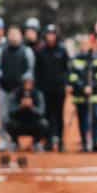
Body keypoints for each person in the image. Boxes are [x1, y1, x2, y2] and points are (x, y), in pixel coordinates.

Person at [68, 32, 97, 153]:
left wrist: (92, 86)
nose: (85, 46)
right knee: (82, 119)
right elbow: (72, 77)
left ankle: (95, 142)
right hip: (80, 96)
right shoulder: (75, 59)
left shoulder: (96, 59)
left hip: (94, 95)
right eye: (82, 44)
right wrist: (83, 87)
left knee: (96, 118)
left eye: (87, 44)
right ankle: (85, 143)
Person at [34, 24, 69, 152]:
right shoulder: (40, 51)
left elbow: (66, 69)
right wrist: (38, 87)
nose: (51, 36)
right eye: (48, 34)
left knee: (59, 115)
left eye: (53, 34)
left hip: (59, 89)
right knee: (47, 115)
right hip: (45, 89)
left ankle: (60, 140)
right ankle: (48, 140)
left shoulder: (62, 50)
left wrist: (65, 82)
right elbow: (37, 71)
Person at [4, 76, 49, 152]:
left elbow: (42, 112)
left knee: (44, 123)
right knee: (7, 121)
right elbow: (10, 111)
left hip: (33, 123)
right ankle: (15, 143)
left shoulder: (38, 94)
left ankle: (36, 143)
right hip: (19, 123)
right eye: (26, 82)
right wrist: (21, 106)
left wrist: (32, 107)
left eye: (30, 82)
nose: (28, 85)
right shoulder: (15, 93)